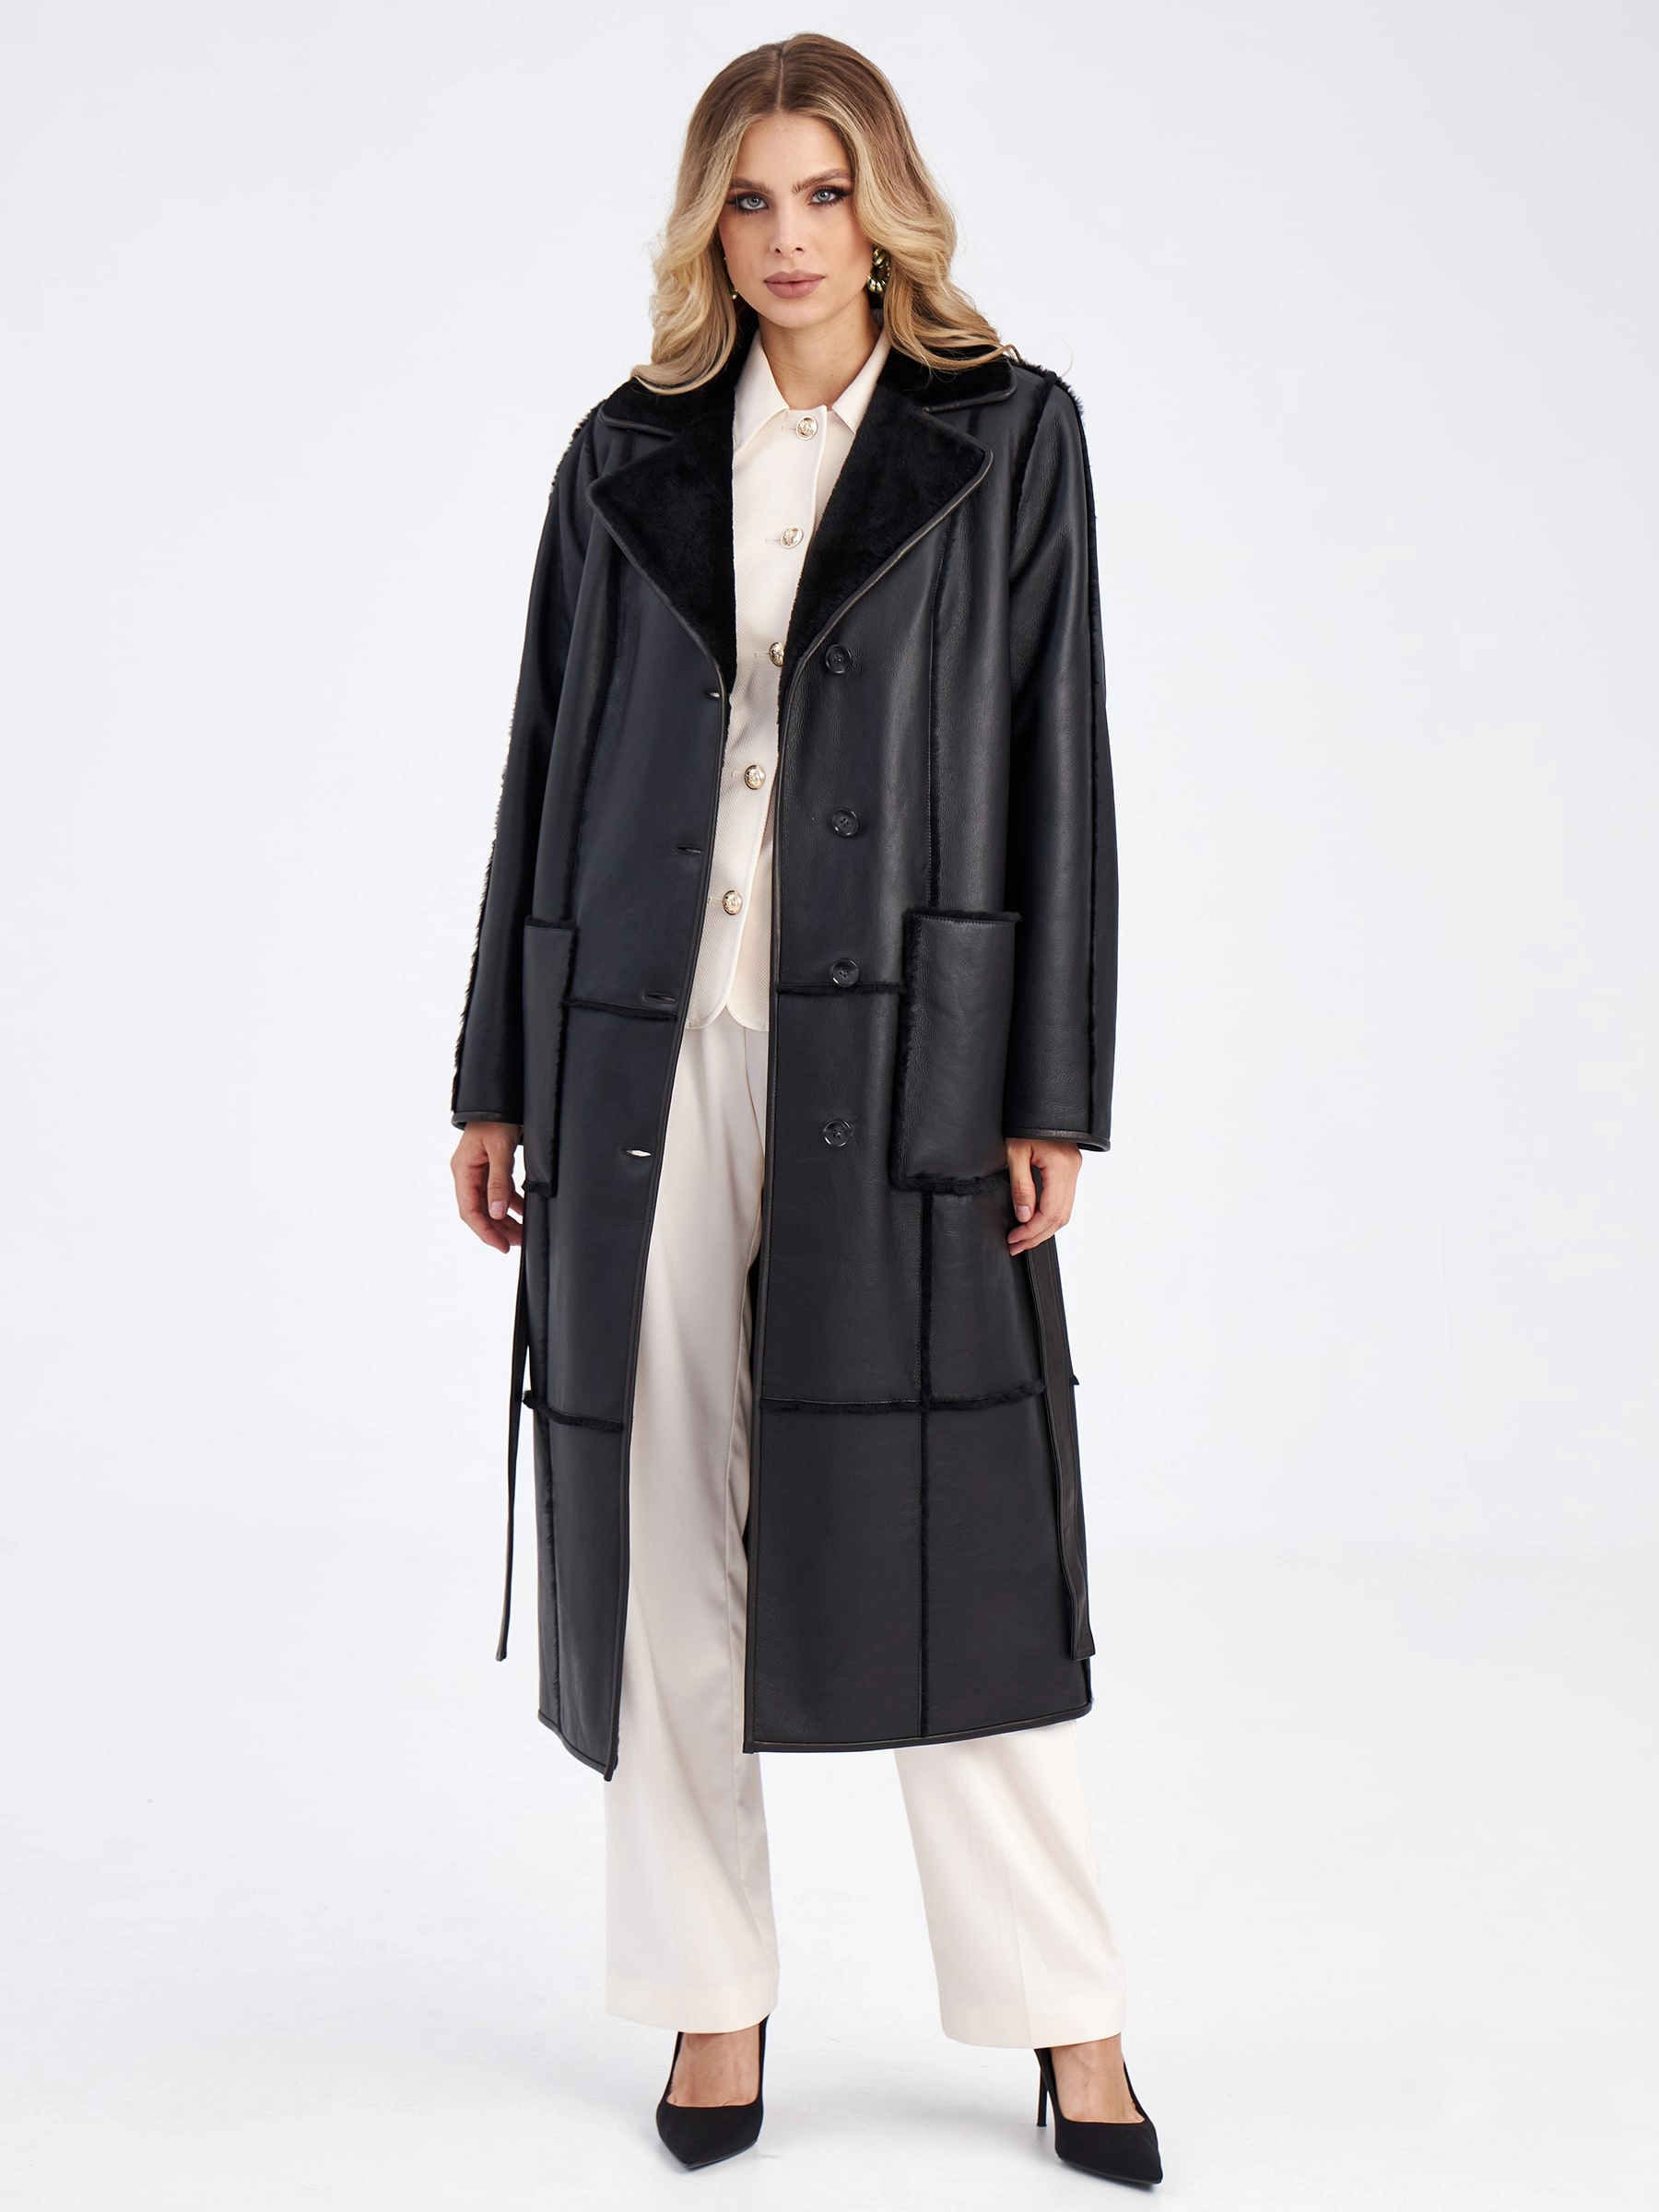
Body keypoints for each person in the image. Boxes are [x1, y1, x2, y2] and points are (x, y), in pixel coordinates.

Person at [448, 33, 1160, 2184]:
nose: (786, 240)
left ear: (886, 209)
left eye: (823, 196)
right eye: (748, 200)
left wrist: (1050, 1083)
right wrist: (494, 1073)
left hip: (904, 1052)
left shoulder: (1006, 434)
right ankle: (711, 1996)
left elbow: (1057, 754)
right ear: (709, 222)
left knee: (961, 1533)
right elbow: (544, 763)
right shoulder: (627, 452)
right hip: (640, 1045)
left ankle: (1067, 2013)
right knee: (663, 1528)